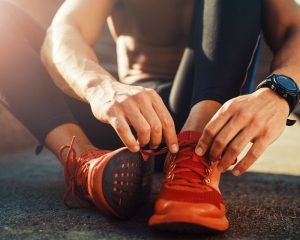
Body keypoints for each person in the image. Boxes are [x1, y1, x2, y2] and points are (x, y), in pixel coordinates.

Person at [0, 0, 299, 233]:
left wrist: (279, 92)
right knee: (5, 20)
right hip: (128, 125)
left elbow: (294, 28)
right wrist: (101, 87)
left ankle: (193, 157)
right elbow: (65, 32)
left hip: (210, 120)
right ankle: (82, 162)